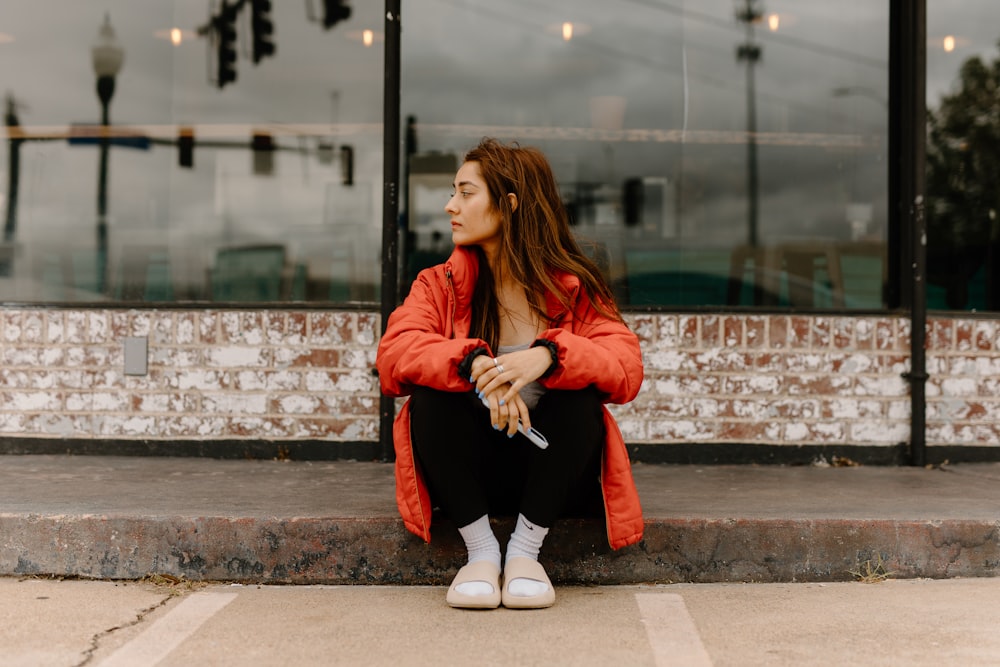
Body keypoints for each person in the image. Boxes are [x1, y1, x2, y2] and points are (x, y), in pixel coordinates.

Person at [376, 138, 644, 610]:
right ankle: (480, 553)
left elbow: (625, 369)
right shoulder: (438, 284)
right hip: (468, 473)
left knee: (581, 402)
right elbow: (395, 354)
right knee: (429, 397)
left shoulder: (574, 288)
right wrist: (476, 365)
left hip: (549, 476)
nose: (450, 205)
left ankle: (524, 553)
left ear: (509, 204)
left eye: (465, 193)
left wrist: (548, 355)